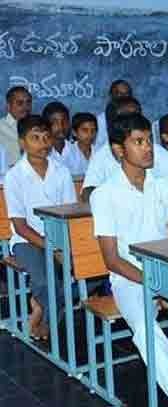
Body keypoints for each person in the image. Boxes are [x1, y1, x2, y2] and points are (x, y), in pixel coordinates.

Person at [90, 112, 168, 405]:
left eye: (149, 141)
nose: (148, 148)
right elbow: (112, 260)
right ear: (119, 150)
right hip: (129, 277)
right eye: (138, 142)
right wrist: (154, 283)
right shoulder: (104, 194)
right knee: (146, 331)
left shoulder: (164, 185)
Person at [4, 114, 77, 340]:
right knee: (46, 281)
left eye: (46, 137)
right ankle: (47, 320)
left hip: (59, 238)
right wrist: (52, 248)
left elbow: (69, 214)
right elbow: (20, 226)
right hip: (26, 241)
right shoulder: (14, 176)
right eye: (35, 138)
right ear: (22, 142)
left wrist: (62, 246)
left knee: (90, 274)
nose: (43, 143)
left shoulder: (61, 171)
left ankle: (39, 307)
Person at [0, 86, 32, 167]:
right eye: (20, 103)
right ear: (8, 106)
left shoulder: (37, 127)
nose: (25, 107)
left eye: (28, 102)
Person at [95, 79, 132, 149]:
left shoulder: (137, 119)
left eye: (127, 93)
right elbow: (97, 148)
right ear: (111, 95)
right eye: (118, 93)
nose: (123, 97)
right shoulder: (100, 121)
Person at [61, 112, 97, 177]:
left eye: (93, 130)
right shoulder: (68, 151)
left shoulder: (99, 151)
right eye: (85, 130)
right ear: (74, 132)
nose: (90, 134)